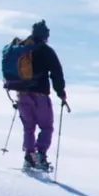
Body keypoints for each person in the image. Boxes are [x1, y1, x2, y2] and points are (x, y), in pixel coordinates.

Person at [16, 20, 67, 171]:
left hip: (22, 94)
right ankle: (40, 156)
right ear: (45, 36)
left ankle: (28, 157)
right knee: (46, 126)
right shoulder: (47, 51)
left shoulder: (22, 48)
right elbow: (56, 73)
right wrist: (61, 92)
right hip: (40, 95)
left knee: (28, 127)